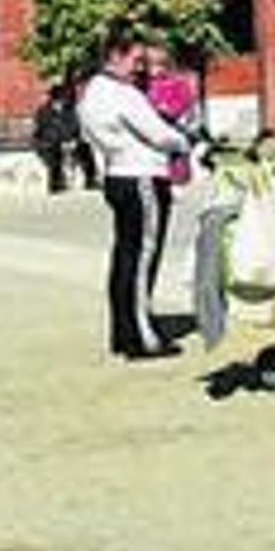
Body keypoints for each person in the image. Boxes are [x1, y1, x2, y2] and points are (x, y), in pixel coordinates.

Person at [77, 27, 191, 361]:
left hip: (119, 174)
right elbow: (158, 134)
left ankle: (123, 331)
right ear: (115, 56)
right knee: (142, 260)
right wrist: (184, 142)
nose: (141, 68)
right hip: (141, 176)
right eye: (136, 60)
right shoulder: (121, 93)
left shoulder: (93, 91)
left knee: (125, 258)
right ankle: (142, 337)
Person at [142, 44, 198, 189]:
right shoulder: (144, 84)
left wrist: (170, 109)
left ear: (166, 65)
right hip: (152, 128)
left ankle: (180, 178)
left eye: (158, 65)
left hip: (174, 125)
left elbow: (185, 100)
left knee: (176, 153)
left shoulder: (177, 82)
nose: (154, 70)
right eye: (150, 65)